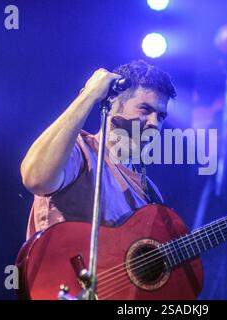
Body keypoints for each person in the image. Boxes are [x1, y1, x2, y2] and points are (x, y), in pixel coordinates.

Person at [20, 60, 176, 240]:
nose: (154, 124)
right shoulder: (80, 151)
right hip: (60, 267)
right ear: (112, 102)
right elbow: (35, 178)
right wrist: (89, 95)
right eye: (145, 109)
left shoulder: (150, 192)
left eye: (161, 116)